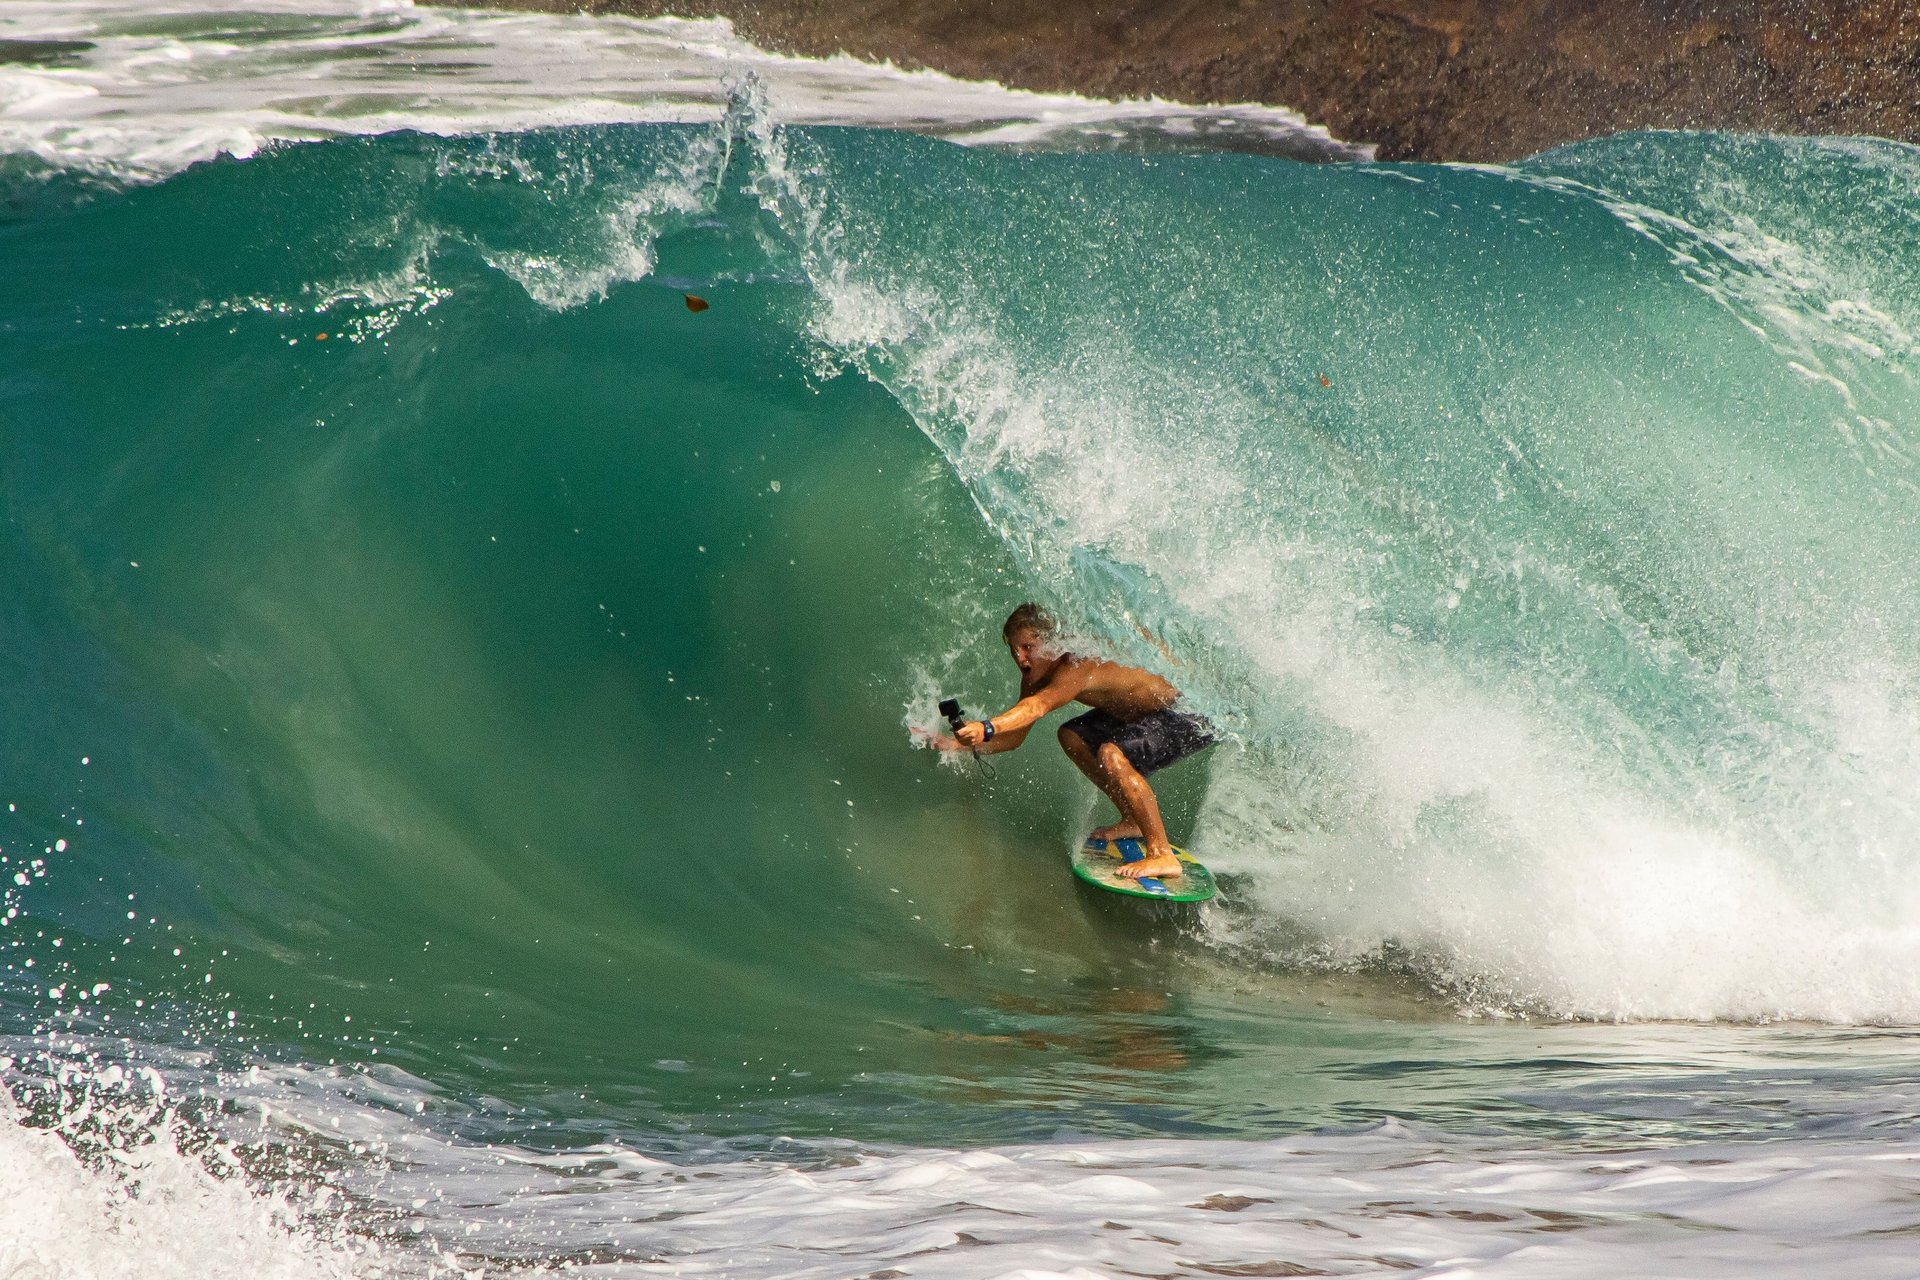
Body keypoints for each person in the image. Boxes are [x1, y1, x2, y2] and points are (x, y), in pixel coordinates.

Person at [929, 603, 1214, 880]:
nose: (1020, 658)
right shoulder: (1034, 676)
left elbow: (1037, 707)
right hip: (1143, 711)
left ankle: (1162, 854)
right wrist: (962, 744)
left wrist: (987, 727)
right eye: (1013, 649)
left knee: (1112, 754)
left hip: (1188, 710)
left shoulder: (1076, 662)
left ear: (1052, 642)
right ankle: (1132, 821)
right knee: (1072, 736)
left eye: (1028, 647)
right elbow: (1015, 736)